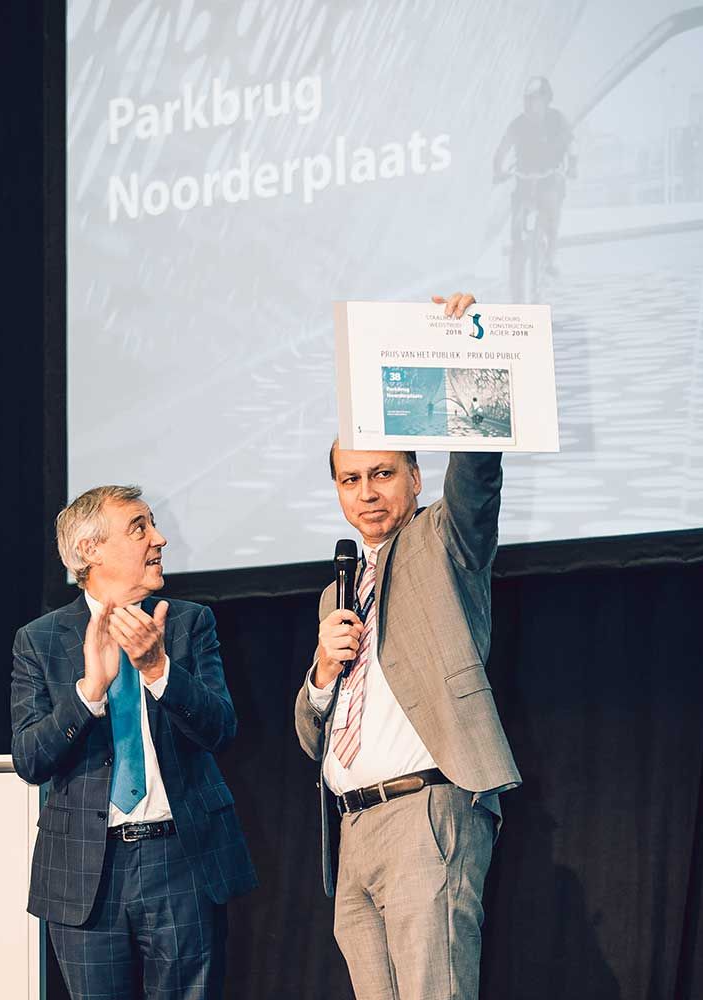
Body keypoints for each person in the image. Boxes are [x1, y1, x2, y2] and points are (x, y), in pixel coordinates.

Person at [294, 291, 521, 1000]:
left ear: (415, 478)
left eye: (383, 474)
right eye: (351, 480)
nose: (367, 493)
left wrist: (468, 354)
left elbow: (477, 477)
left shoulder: (442, 543)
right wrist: (320, 676)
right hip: (352, 829)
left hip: (425, 813)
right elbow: (311, 735)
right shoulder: (337, 592)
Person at [11, 485, 256, 1000]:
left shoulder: (188, 623)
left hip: (181, 861)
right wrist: (89, 693)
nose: (159, 539)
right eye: (139, 528)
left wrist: (157, 668)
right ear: (90, 550)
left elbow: (221, 729)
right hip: (86, 872)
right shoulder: (40, 639)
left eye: (153, 525)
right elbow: (30, 759)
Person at [493, 76, 577, 276]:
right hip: (524, 178)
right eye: (527, 99)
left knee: (552, 214)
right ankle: (518, 259)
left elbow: (572, 143)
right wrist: (498, 170)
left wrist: (573, 165)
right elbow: (502, 149)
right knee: (516, 226)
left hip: (551, 178)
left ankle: (550, 259)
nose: (530, 103)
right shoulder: (518, 124)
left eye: (535, 99)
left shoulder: (557, 120)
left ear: (546, 99)